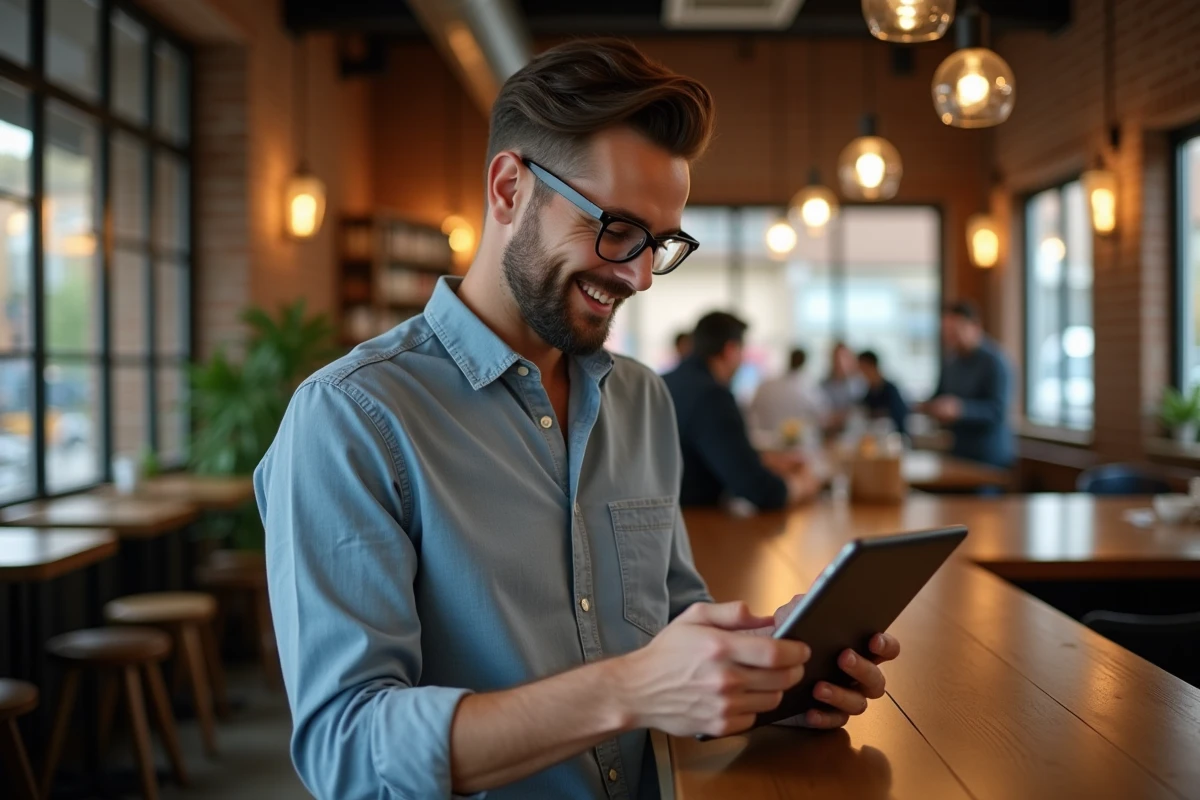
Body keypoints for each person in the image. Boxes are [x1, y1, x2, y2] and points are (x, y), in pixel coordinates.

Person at [256, 39, 900, 800]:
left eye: (659, 244)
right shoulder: (352, 418)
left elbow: (666, 625)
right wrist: (630, 689)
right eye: (617, 228)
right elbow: (348, 750)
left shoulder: (641, 400)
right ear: (507, 189)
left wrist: (770, 672)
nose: (639, 274)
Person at [664, 315, 820, 510]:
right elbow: (756, 488)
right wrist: (802, 485)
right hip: (696, 525)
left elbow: (708, 453)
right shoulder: (712, 396)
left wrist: (765, 459)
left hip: (662, 520)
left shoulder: (664, 382)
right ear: (730, 350)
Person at [920, 301, 1015, 467]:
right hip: (958, 451)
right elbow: (940, 394)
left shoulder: (995, 362)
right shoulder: (951, 361)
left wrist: (961, 410)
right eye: (948, 333)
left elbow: (998, 411)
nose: (951, 338)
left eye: (956, 331)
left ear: (975, 326)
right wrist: (929, 406)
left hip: (988, 457)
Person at [748, 348, 830, 442]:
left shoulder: (766, 384)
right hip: (797, 447)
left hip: (765, 443)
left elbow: (752, 410)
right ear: (804, 363)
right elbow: (823, 416)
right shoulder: (808, 389)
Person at [858, 350, 909, 437]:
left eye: (863, 369)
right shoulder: (869, 393)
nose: (861, 374)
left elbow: (899, 416)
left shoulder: (891, 390)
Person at [821, 341, 866, 417]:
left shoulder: (862, 383)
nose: (840, 362)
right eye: (837, 358)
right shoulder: (824, 385)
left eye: (844, 357)